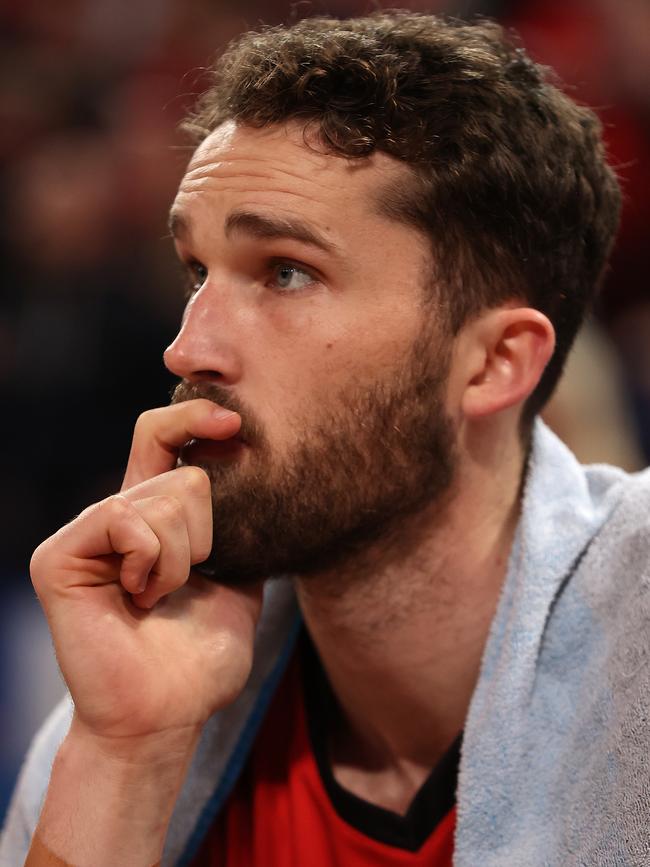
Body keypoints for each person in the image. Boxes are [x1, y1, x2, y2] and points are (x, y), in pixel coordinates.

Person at [1, 11, 648, 866]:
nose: (188, 349)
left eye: (286, 271)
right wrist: (125, 753)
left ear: (494, 362)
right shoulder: (122, 727)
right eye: (198, 272)